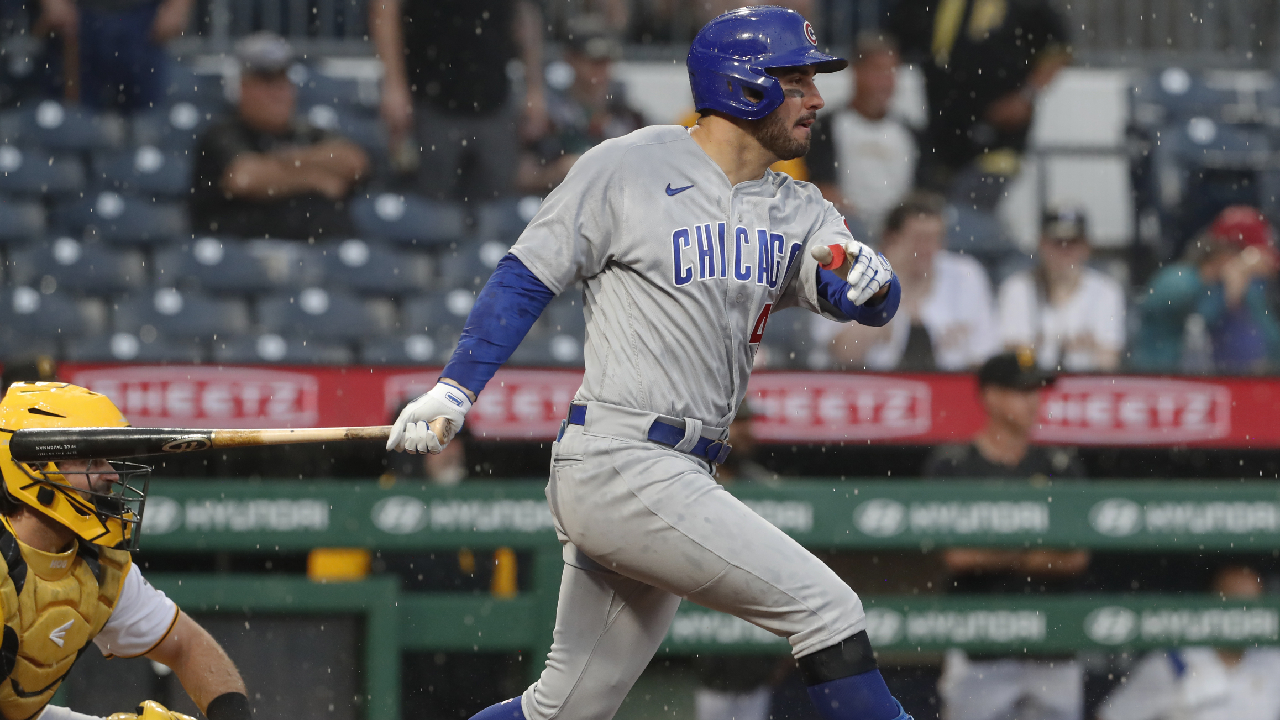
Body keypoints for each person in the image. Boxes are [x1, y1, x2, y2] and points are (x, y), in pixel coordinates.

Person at [386, 8, 912, 720]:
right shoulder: (628, 163)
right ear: (743, 84)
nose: (816, 98)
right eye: (795, 80)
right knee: (827, 609)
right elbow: (526, 275)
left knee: (561, 711)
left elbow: (860, 298)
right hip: (620, 457)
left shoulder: (799, 207)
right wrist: (456, 388)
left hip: (680, 470)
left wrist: (874, 285)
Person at [0, 382, 250, 720]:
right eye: (91, 460)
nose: (112, 475)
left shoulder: (99, 562)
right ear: (34, 468)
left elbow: (189, 647)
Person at [924, 352, 1088, 720]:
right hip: (980, 646)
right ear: (991, 397)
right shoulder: (953, 465)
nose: (1034, 400)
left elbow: (1075, 557)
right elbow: (957, 556)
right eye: (1022, 391)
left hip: (1052, 646)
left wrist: (997, 550)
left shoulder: (1060, 466)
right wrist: (1032, 551)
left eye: (1037, 390)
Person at [888, 0, 1071, 206]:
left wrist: (1025, 96)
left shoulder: (1024, 6)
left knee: (966, 209)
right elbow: (894, 42)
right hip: (940, 135)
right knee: (930, 211)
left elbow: (1057, 49)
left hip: (997, 138)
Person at [189, 32, 368, 240]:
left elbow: (354, 162)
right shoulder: (221, 133)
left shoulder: (305, 130)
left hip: (319, 252)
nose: (278, 93)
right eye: (267, 81)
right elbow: (244, 179)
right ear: (242, 87)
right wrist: (315, 177)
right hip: (247, 253)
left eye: (283, 81)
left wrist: (285, 162)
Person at [369, 0, 548, 200]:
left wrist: (534, 89)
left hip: (494, 96)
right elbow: (385, 9)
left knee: (499, 204)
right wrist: (394, 84)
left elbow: (526, 12)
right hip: (429, 96)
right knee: (430, 204)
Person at [818, 191, 999, 371]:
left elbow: (984, 356)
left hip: (948, 384)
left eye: (935, 239)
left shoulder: (966, 274)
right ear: (891, 239)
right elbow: (844, 355)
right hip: (872, 384)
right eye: (919, 239)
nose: (928, 249)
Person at [1097, 565, 1280, 720]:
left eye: (1253, 605)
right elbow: (1110, 715)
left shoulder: (1273, 660)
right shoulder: (1173, 661)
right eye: (1236, 603)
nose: (1244, 613)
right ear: (1211, 604)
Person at [1131, 205, 1280, 374]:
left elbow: (1272, 341)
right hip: (1158, 383)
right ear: (1226, 251)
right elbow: (1199, 321)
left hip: (1219, 385)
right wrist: (1230, 285)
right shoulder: (1177, 279)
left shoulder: (1244, 287)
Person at [516, 16, 646, 194]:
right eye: (594, 60)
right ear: (570, 59)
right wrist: (559, 171)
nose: (601, 68)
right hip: (556, 208)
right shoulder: (546, 117)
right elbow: (521, 177)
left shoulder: (629, 116)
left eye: (607, 60)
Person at [807, 34, 916, 236]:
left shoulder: (911, 133)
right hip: (845, 229)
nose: (885, 82)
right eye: (878, 71)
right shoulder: (826, 128)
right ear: (856, 72)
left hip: (899, 233)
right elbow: (820, 186)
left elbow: (921, 193)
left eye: (891, 72)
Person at [997, 207, 1125, 371]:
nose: (1064, 250)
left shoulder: (1106, 291)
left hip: (1084, 388)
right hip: (1032, 386)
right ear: (1041, 244)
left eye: (1072, 243)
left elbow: (1109, 361)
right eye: (1056, 243)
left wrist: (1039, 346)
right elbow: (1013, 360)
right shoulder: (1017, 288)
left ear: (1086, 247)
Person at [35, 0, 192, 111]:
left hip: (145, 17)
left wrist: (178, 5)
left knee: (149, 119)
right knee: (73, 120)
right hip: (79, 15)